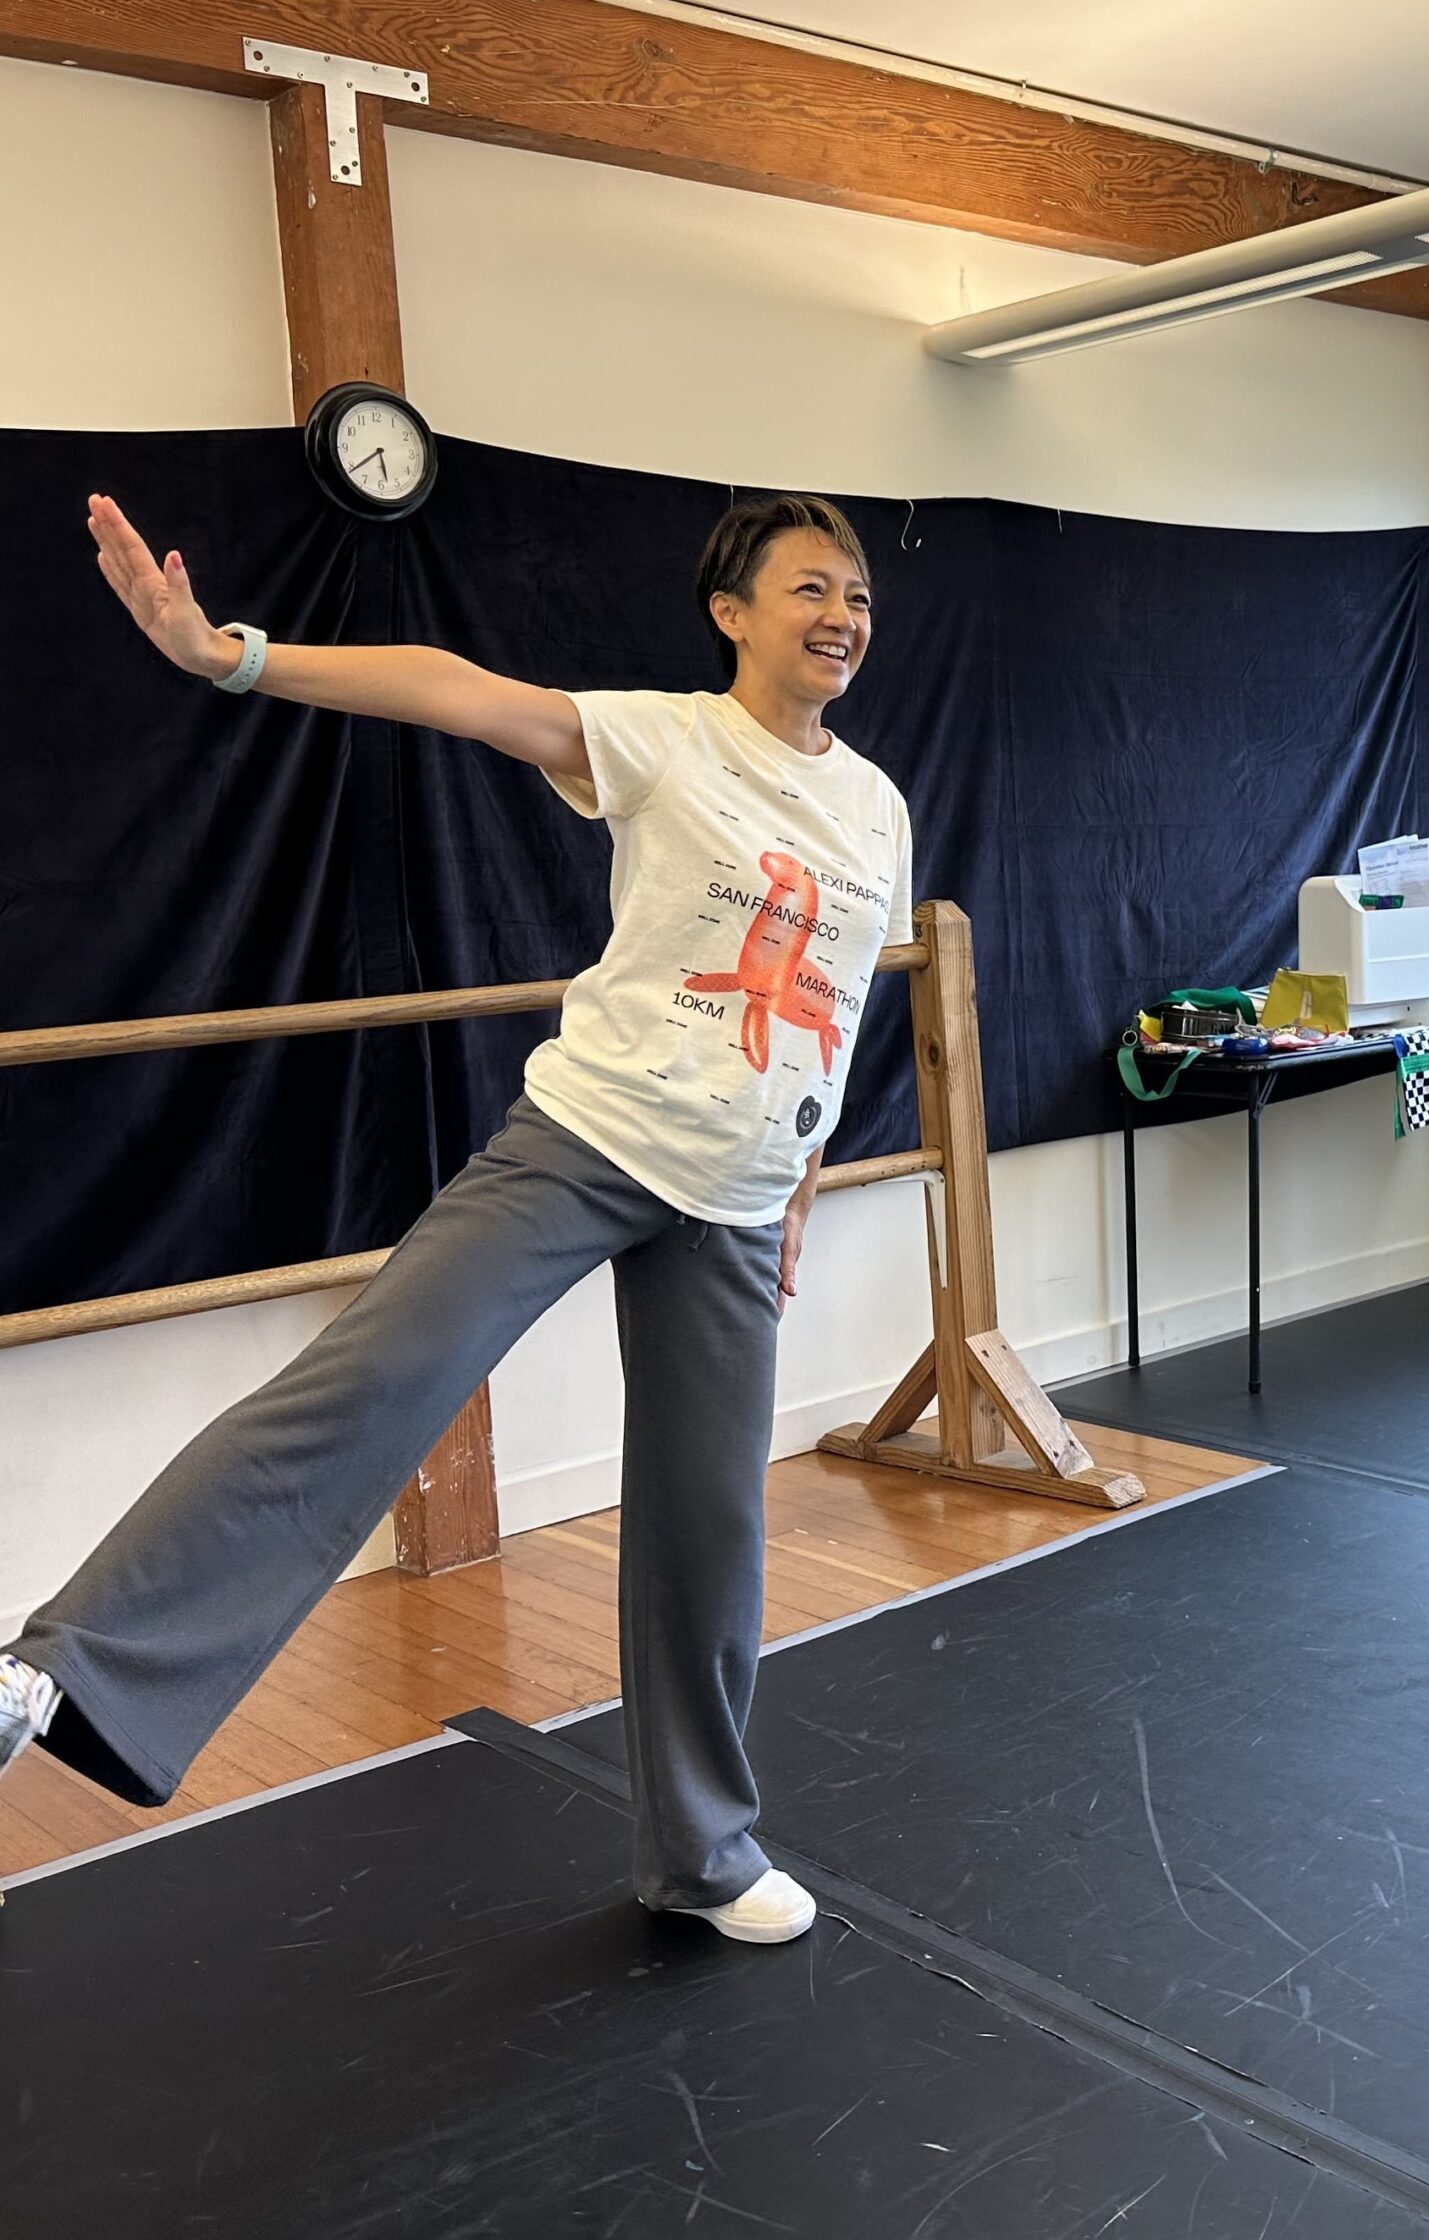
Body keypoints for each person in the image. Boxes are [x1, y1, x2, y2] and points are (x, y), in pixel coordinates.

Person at [0, 490, 912, 1945]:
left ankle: (703, 1853)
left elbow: (840, 1006)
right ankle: (63, 1669)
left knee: (709, 1528)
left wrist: (798, 1185)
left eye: (857, 596)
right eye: (809, 587)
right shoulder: (668, 739)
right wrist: (230, 655)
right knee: (371, 1385)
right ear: (731, 612)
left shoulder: (877, 804)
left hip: (738, 1203)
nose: (841, 617)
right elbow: (457, 691)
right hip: (592, 1141)